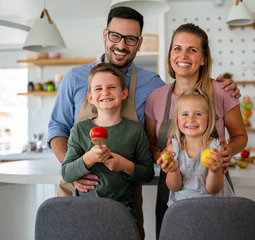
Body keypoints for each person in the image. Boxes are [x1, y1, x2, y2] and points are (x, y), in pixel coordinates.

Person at [48, 6, 240, 239]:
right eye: (115, 36)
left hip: (125, 196)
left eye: (130, 39)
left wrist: (224, 87)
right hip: (76, 190)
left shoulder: (153, 85)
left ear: (139, 44)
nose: (121, 45)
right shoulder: (74, 78)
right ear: (104, 35)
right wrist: (76, 170)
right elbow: (57, 129)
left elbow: (184, 103)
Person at [144, 23, 248, 237]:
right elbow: (150, 146)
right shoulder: (156, 97)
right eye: (177, 48)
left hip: (214, 189)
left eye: (192, 50)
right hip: (172, 193)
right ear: (170, 54)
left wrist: (228, 151)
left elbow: (240, 137)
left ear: (203, 58)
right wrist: (162, 158)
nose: (183, 55)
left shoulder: (222, 91)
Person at [61, 63, 154, 220]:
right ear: (90, 98)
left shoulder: (135, 131)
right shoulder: (79, 130)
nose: (105, 92)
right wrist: (88, 159)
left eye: (112, 87)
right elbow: (66, 173)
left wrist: (125, 165)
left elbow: (148, 174)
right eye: (98, 88)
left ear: (124, 93)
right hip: (83, 212)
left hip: (122, 211)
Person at [157, 88, 235, 207]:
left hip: (213, 209)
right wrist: (173, 170)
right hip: (182, 210)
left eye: (198, 114)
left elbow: (213, 189)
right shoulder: (173, 149)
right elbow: (174, 187)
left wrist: (215, 170)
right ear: (177, 120)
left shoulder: (216, 149)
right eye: (185, 114)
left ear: (208, 120)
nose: (191, 119)